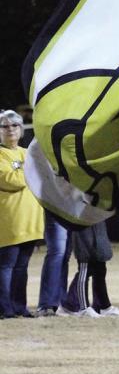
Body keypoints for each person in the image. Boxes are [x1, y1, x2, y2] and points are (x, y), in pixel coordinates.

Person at [0, 109, 43, 319]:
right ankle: (4, 308)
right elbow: (10, 180)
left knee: (21, 267)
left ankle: (19, 307)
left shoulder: (27, 153)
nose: (10, 130)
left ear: (21, 129)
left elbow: (43, 177)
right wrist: (29, 172)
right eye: (5, 126)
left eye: (15, 125)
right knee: (6, 266)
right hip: (9, 221)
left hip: (31, 221)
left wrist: (26, 171)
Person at [36, 210, 72, 317]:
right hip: (57, 210)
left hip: (72, 212)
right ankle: (46, 304)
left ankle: (60, 303)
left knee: (64, 257)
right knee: (57, 254)